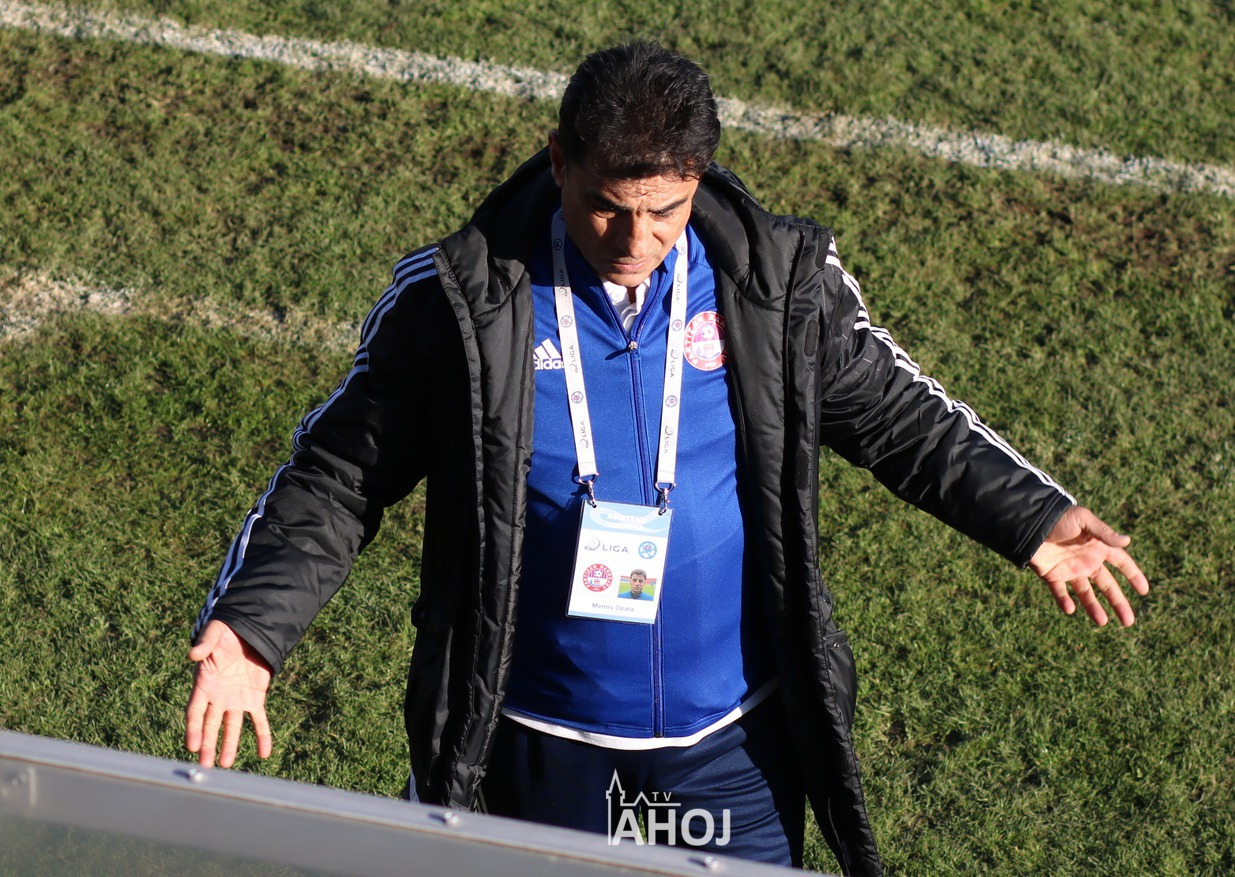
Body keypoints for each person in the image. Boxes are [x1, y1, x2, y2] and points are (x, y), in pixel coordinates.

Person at [185, 42, 1148, 876]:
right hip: (534, 746)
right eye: (607, 208)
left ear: (698, 177)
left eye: (666, 211)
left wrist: (1032, 515)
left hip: (728, 751)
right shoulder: (460, 303)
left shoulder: (774, 287)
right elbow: (339, 476)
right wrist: (251, 629)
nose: (635, 240)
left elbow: (899, 414)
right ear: (558, 160)